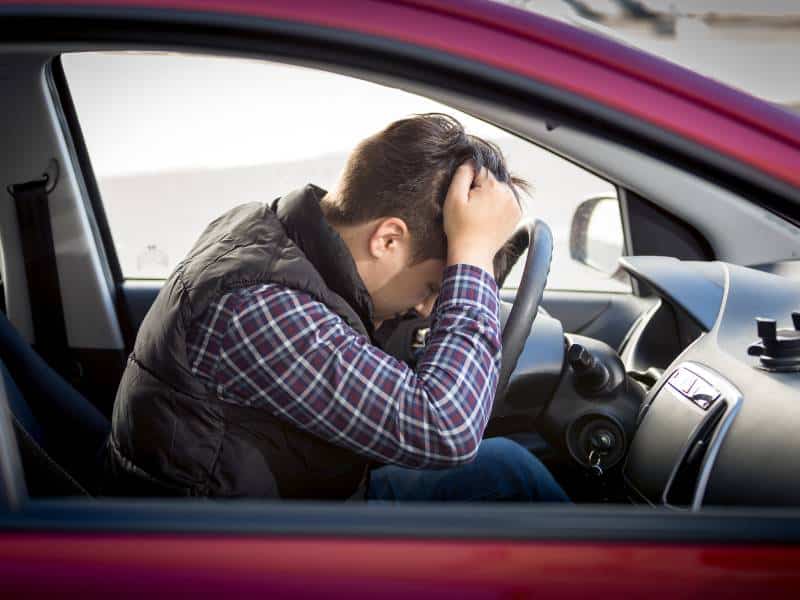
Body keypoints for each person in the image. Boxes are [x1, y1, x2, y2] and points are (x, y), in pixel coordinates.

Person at [104, 113, 568, 502]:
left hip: (294, 498)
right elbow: (447, 430)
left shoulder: (271, 231)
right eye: (433, 285)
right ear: (388, 239)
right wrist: (471, 259)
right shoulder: (259, 307)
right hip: (240, 555)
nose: (429, 310)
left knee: (510, 467)